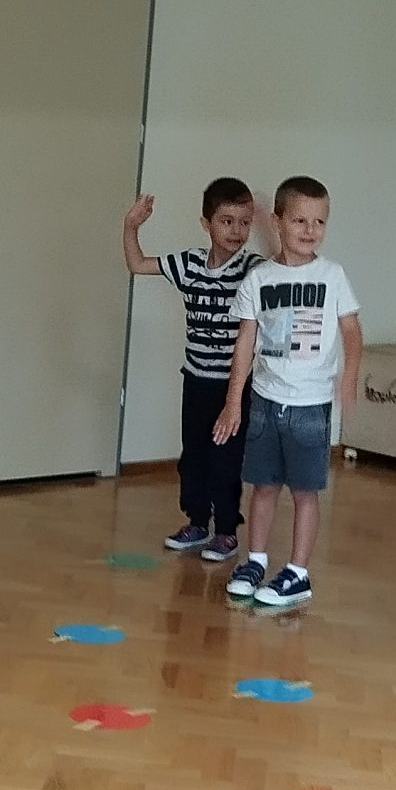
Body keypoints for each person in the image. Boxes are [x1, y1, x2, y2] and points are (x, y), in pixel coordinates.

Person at [215, 176, 360, 610]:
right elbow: (245, 342)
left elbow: (352, 331)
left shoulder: (332, 276)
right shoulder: (259, 278)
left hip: (311, 406)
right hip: (265, 401)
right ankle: (255, 560)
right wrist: (233, 401)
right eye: (299, 220)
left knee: (304, 491)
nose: (310, 230)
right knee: (262, 486)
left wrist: (350, 376)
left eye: (319, 221)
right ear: (277, 222)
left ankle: (297, 572)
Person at [124, 176, 259, 563]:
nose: (236, 231)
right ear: (206, 223)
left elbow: (285, 268)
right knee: (194, 456)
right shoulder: (189, 264)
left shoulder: (253, 269)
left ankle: (227, 532)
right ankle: (198, 522)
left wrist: (273, 227)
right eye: (227, 221)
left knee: (225, 460)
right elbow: (137, 264)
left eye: (244, 222)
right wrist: (131, 226)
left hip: (234, 387)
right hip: (196, 382)